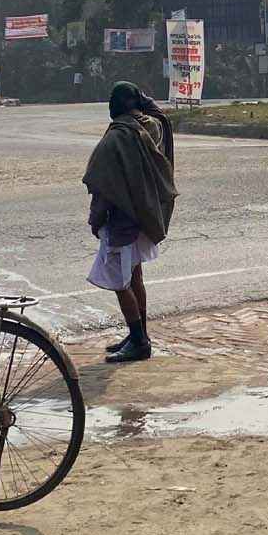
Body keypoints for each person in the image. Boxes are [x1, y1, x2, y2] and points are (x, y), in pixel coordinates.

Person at [84, 82, 178, 363]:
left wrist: (96, 218)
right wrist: (140, 97)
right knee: (135, 275)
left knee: (118, 281)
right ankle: (140, 334)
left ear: (117, 104)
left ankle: (139, 341)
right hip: (144, 213)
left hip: (122, 218)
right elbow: (156, 110)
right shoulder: (154, 125)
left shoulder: (118, 136)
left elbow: (103, 184)